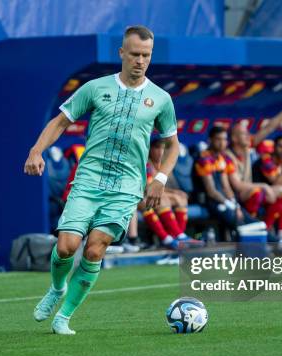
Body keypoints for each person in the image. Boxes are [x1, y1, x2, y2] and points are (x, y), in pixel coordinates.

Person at [24, 25, 179, 335]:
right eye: (134, 54)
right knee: (67, 246)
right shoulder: (95, 88)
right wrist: (36, 151)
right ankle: (57, 288)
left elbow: (172, 143)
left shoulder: (160, 99)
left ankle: (63, 318)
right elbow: (60, 122)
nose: (140, 60)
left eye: (146, 55)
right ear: (121, 53)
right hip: (89, 179)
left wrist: (160, 177)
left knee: (95, 251)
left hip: (126, 187)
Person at [225, 98, 282, 225]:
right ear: (234, 138)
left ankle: (268, 229)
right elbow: (238, 186)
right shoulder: (228, 155)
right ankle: (251, 226)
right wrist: (264, 186)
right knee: (258, 192)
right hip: (235, 197)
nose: (248, 135)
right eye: (244, 134)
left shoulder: (247, 147)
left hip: (250, 191)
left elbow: (269, 128)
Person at [142, 137, 200, 248]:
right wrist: (172, 192)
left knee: (181, 198)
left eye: (163, 148)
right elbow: (150, 187)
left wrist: (175, 192)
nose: (160, 151)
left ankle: (178, 236)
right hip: (145, 196)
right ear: (150, 150)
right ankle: (176, 236)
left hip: (159, 195)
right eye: (157, 148)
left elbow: (165, 186)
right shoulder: (147, 164)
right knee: (163, 199)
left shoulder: (164, 165)